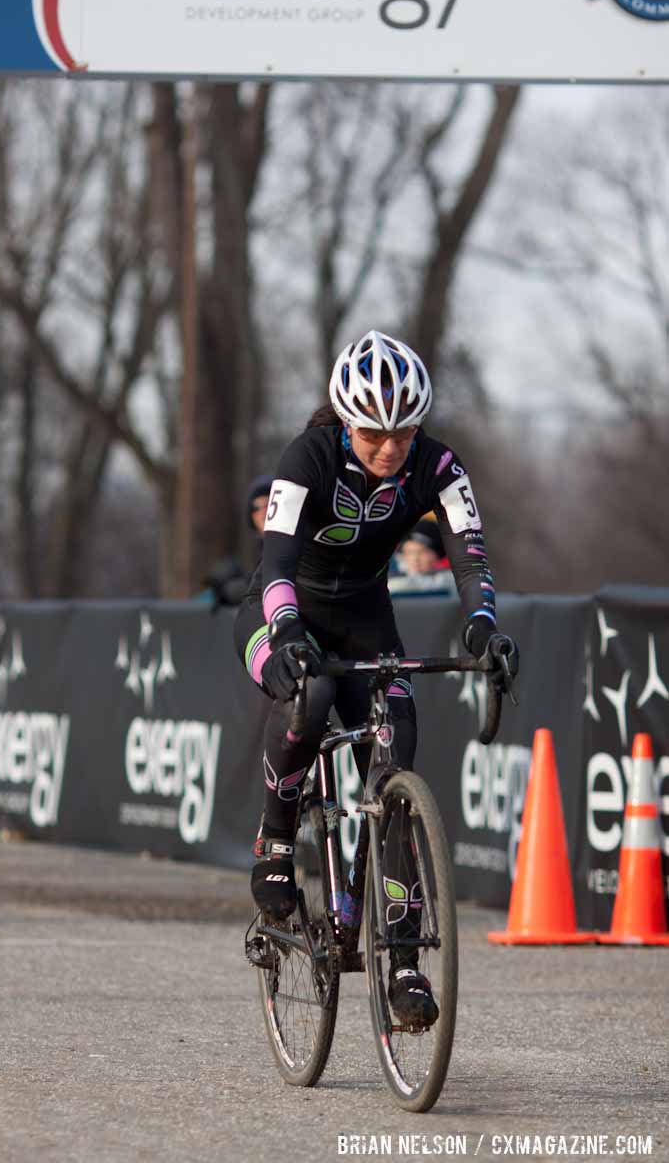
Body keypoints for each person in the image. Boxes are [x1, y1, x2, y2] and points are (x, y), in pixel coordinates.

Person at [233, 330, 518, 1026]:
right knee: (313, 692)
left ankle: (406, 966)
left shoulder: (438, 466)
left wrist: (480, 624)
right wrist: (288, 631)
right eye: (372, 435)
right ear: (345, 421)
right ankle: (274, 844)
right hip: (281, 608)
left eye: (402, 433)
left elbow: (470, 559)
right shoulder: (307, 458)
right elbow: (274, 564)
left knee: (394, 763)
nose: (389, 449)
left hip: (364, 615)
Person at [199, 475, 274, 608]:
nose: (263, 512)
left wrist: (241, 588)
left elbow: (273, 582)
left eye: (269, 504)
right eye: (257, 507)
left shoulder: (290, 543)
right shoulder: (261, 547)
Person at [389, 516, 456, 595]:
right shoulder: (389, 582)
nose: (415, 559)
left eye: (422, 552)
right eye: (409, 552)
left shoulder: (453, 583)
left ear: (437, 555)